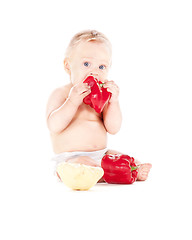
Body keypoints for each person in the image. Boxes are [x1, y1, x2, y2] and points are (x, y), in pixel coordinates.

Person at [46, 30, 152, 182]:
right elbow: (53, 125)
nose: (94, 72)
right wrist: (72, 101)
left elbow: (113, 128)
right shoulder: (61, 93)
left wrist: (114, 101)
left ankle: (133, 167)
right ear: (68, 65)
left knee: (119, 156)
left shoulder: (102, 97)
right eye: (86, 64)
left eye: (101, 67)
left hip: (102, 154)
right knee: (84, 164)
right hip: (70, 159)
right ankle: (105, 172)